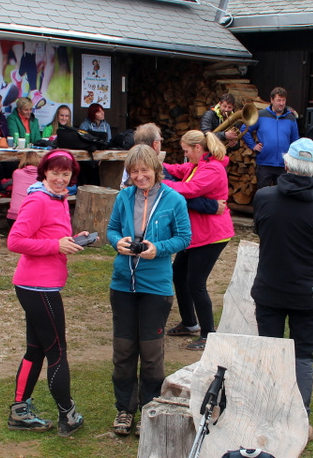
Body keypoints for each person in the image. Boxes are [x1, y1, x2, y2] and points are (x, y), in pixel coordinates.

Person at [106, 145, 192, 435]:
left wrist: (159, 249)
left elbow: (184, 237)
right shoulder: (123, 196)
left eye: (144, 170)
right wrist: (117, 242)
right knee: (124, 350)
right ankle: (124, 410)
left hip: (156, 286)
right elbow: (112, 229)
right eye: (134, 171)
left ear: (156, 170)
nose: (139, 176)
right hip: (123, 284)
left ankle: (149, 409)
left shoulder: (174, 199)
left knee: (152, 354)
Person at [6, 149, 88, 435]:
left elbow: (50, 235)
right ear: (44, 172)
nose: (60, 179)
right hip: (37, 286)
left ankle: (19, 410)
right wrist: (56, 246)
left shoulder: (60, 198)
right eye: (55, 172)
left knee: (36, 348)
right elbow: (15, 241)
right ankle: (68, 415)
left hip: (40, 284)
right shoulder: (39, 199)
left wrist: (69, 241)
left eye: (66, 174)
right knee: (57, 351)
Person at [252, 138, 313, 413]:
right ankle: (299, 416)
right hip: (306, 290)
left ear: (286, 163)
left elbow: (261, 232)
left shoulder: (263, 196)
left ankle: (268, 408)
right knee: (302, 354)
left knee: (270, 351)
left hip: (270, 287)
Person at [163, 130, 234, 352]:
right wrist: (159, 166)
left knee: (195, 283)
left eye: (186, 151)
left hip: (212, 235)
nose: (184, 156)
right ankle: (189, 322)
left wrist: (159, 182)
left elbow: (189, 189)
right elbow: (178, 170)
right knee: (179, 275)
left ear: (197, 148)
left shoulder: (212, 168)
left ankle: (207, 334)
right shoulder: (198, 164)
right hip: (198, 234)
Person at [244, 87, 300, 191]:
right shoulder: (260, 115)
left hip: (284, 165)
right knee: (262, 193)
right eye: (279, 100)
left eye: (283, 100)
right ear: (272, 100)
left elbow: (295, 140)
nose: (281, 103)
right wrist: (253, 145)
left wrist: (292, 159)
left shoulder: (291, 118)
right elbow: (245, 129)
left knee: (282, 195)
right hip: (264, 164)